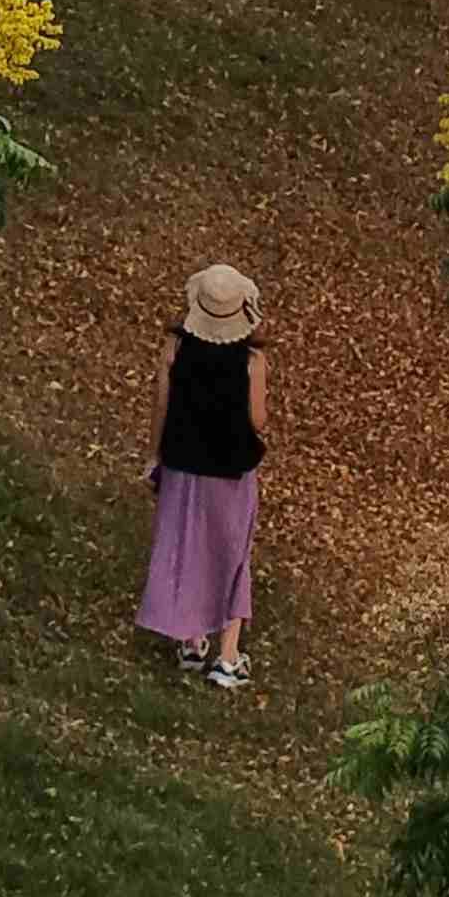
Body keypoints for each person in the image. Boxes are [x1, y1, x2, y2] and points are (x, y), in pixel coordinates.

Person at [138, 259, 263, 692]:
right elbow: (258, 421)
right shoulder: (251, 361)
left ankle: (192, 642)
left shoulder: (174, 349)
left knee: (187, 544)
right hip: (230, 471)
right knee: (232, 555)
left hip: (181, 465)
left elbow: (161, 407)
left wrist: (154, 456)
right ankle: (228, 658)